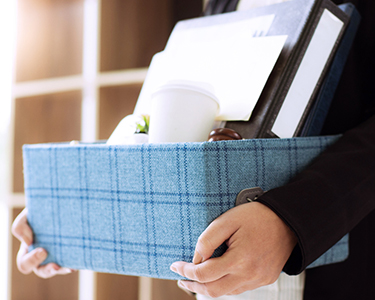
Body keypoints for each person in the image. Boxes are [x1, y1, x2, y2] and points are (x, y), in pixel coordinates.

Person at [12, 0, 375, 299]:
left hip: (344, 269)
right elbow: (180, 150)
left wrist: (292, 221)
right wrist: (75, 207)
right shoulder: (220, 6)